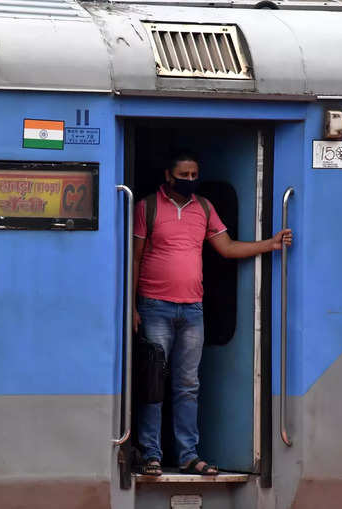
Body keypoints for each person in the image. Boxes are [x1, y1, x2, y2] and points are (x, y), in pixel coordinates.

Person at [133, 152, 293, 476]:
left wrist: (271, 245)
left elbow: (227, 247)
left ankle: (188, 455)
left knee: (188, 385)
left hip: (193, 310)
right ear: (168, 174)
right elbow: (133, 258)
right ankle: (151, 454)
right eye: (184, 173)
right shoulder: (147, 207)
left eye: (194, 174)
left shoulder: (204, 208)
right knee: (153, 384)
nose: (190, 179)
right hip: (154, 307)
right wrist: (130, 306)